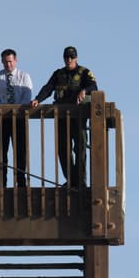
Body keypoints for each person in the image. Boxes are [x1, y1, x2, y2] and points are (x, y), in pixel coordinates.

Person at [31, 46, 98, 188]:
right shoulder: (58, 73)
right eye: (66, 57)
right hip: (62, 116)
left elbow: (94, 86)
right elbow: (48, 87)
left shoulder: (84, 72)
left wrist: (84, 91)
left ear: (76, 58)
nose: (69, 60)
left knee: (79, 148)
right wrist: (38, 99)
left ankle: (80, 180)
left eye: (71, 57)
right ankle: (71, 179)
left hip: (78, 116)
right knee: (63, 149)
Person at [0, 48, 33, 188]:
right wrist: (4, 111)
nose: (8, 65)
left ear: (16, 60)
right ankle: (2, 183)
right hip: (1, 119)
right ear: (2, 62)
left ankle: (21, 181)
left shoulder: (24, 76)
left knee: (20, 151)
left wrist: (16, 110)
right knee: (1, 152)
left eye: (10, 61)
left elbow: (27, 96)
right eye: (5, 62)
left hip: (19, 118)